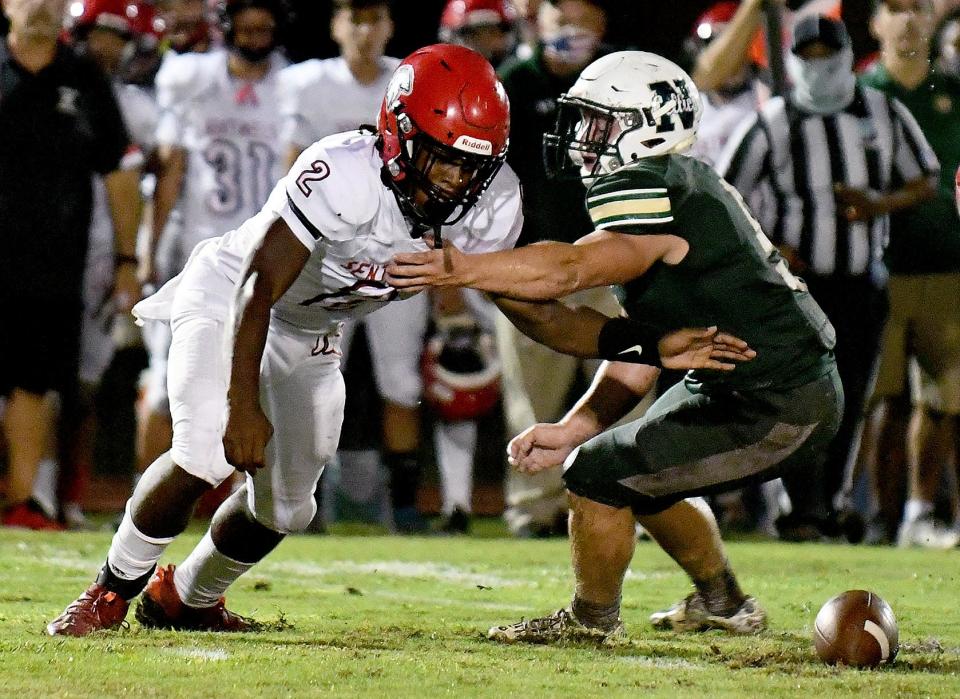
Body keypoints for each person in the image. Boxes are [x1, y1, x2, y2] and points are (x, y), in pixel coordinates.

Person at [46, 45, 753, 636]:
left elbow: (539, 314)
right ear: (399, 133)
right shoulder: (343, 171)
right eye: (443, 157)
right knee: (204, 449)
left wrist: (647, 344)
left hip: (315, 324)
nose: (456, 179)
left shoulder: (491, 203)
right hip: (230, 297)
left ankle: (188, 597)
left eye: (472, 164)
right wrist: (241, 400)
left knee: (290, 507)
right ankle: (109, 590)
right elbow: (257, 286)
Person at [387, 51, 842, 643]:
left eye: (597, 124)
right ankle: (725, 604)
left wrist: (462, 266)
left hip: (781, 396)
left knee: (604, 473)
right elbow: (640, 353)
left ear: (648, 128)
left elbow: (568, 271)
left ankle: (590, 623)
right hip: (740, 385)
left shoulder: (651, 183)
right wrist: (574, 427)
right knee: (631, 466)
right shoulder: (670, 187)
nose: (580, 140)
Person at [717, 14, 938, 539]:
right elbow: (725, 194)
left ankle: (827, 502)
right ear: (793, 60)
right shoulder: (772, 119)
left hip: (862, 283)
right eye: (807, 55)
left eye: (826, 54)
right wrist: (768, 245)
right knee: (798, 397)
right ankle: (802, 508)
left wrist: (880, 203)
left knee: (850, 398)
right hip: (795, 289)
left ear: (844, 54)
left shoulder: (883, 111)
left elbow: (925, 177)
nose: (818, 66)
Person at [135, 0, 289, 495]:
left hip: (266, 254)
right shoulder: (188, 77)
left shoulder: (297, 85)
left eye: (264, 27)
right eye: (247, 27)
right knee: (167, 385)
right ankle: (145, 495)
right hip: (199, 253)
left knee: (266, 387)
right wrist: (147, 248)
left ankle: (252, 508)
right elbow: (172, 166)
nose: (256, 36)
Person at [0, 0, 140, 530]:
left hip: (54, 261)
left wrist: (127, 257)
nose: (40, 5)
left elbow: (120, 175)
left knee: (33, 382)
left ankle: (21, 502)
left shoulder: (85, 78)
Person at [495, 0, 615, 538]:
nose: (570, 27)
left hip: (610, 262)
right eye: (558, 13)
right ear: (535, 20)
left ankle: (628, 498)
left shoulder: (619, 78)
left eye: (582, 16)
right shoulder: (513, 83)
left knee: (623, 390)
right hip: (531, 266)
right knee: (531, 396)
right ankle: (532, 508)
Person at [859, 0, 960, 547]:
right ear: (875, 24)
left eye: (918, 8)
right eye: (895, 8)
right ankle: (880, 515)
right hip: (878, 268)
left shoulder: (953, 92)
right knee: (885, 400)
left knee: (945, 400)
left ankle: (921, 512)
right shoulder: (858, 96)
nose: (908, 20)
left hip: (948, 264)